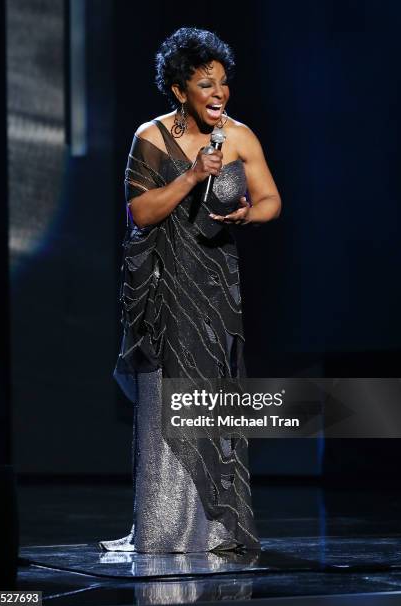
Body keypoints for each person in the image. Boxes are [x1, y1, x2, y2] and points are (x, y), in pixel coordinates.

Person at [99, 27, 281, 554]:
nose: (219, 93)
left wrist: (249, 215)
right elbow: (139, 212)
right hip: (164, 282)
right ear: (180, 91)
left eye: (223, 83)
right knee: (168, 394)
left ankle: (217, 528)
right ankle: (164, 528)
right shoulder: (151, 137)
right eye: (206, 84)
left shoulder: (241, 137)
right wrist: (192, 176)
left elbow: (271, 199)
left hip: (216, 280)